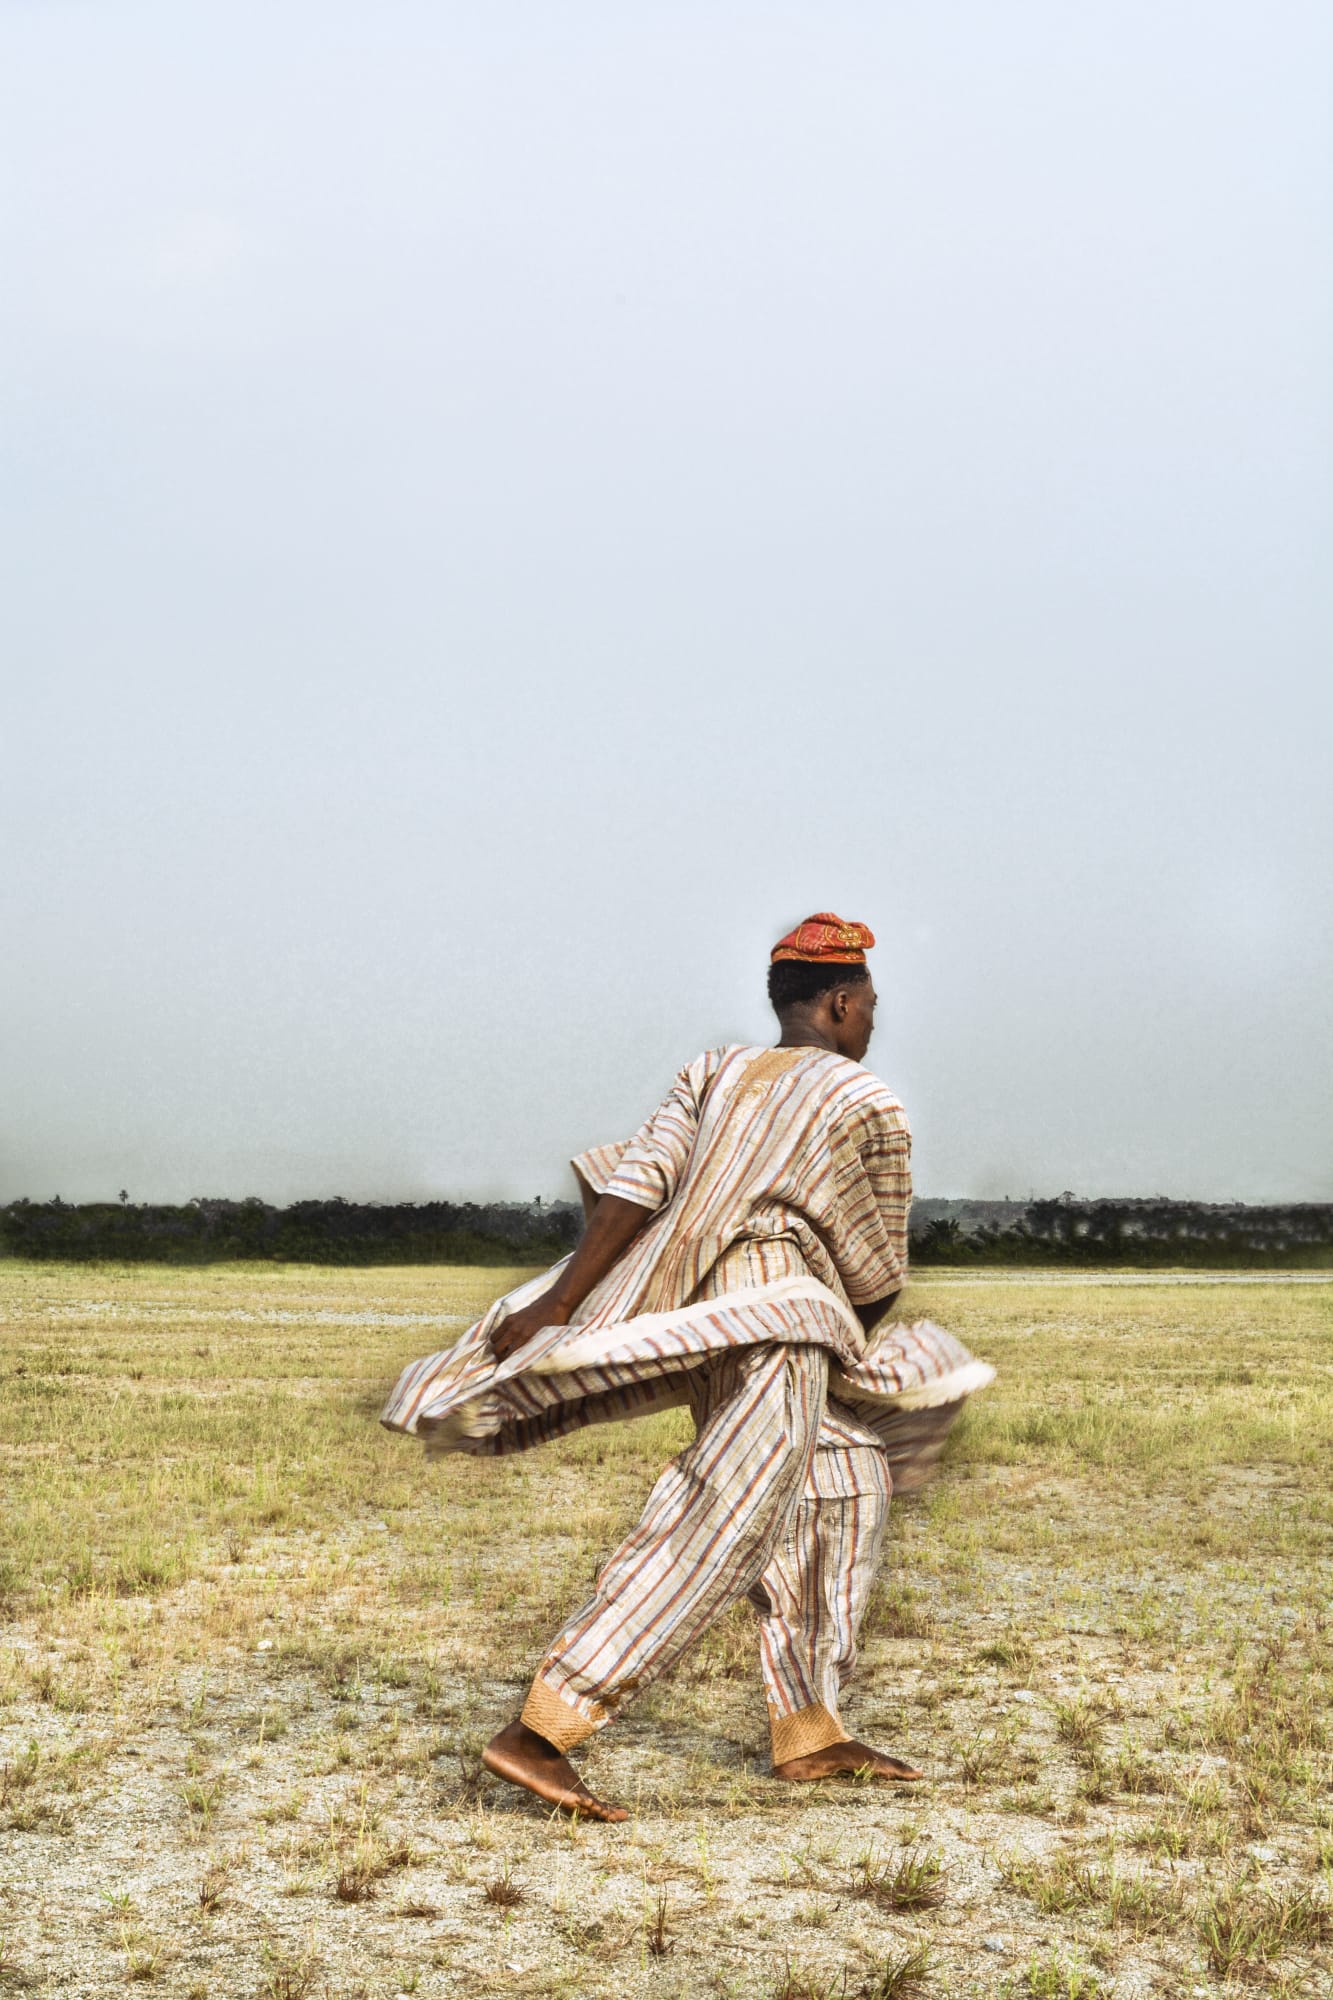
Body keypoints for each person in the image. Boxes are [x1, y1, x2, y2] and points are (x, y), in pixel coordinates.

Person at [382, 914, 992, 1821]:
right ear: (838, 1003)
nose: (870, 1021)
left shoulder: (711, 1071)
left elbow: (634, 1187)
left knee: (843, 1481)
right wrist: (848, 1341)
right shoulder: (868, 1101)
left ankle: (809, 1727)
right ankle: (543, 1730)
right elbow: (875, 1266)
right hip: (781, 1317)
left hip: (695, 1313)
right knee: (724, 1511)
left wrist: (560, 1302)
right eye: (868, 1005)